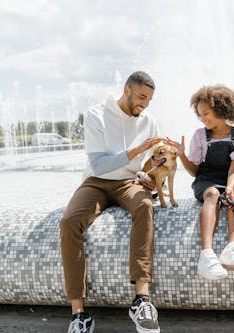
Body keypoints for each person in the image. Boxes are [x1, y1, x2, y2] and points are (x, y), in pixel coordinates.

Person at [60, 71, 163, 333]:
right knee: (70, 221)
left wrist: (155, 176)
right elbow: (99, 164)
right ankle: (79, 314)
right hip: (96, 181)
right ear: (126, 89)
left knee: (145, 206)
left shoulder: (148, 120)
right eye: (141, 97)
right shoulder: (97, 115)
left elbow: (155, 160)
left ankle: (141, 300)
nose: (144, 105)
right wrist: (137, 151)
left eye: (149, 100)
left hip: (129, 182)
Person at [165, 84, 234, 281]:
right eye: (200, 115)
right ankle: (206, 255)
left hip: (229, 176)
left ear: (222, 109)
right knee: (213, 193)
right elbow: (195, 171)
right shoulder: (200, 136)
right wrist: (181, 155)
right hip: (206, 179)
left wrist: (230, 186)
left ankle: (233, 247)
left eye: (207, 113)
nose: (203, 118)